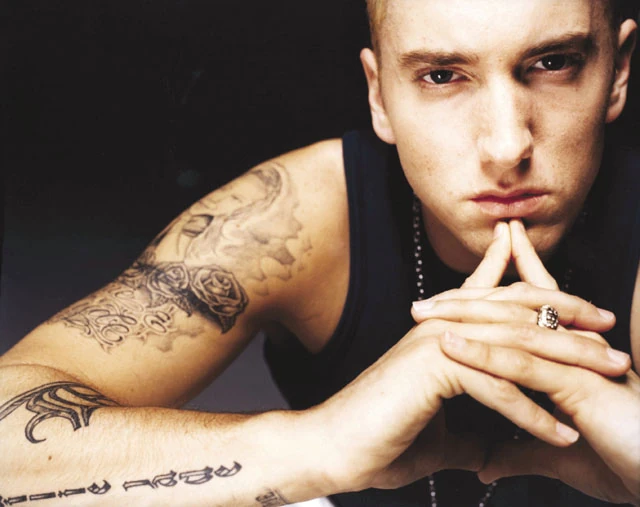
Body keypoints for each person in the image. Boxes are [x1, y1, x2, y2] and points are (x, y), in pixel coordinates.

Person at [1, 1, 639, 506]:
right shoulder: (292, 219)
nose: (506, 146)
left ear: (617, 73)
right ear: (379, 95)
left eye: (554, 62)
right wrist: (320, 441)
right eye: (442, 76)